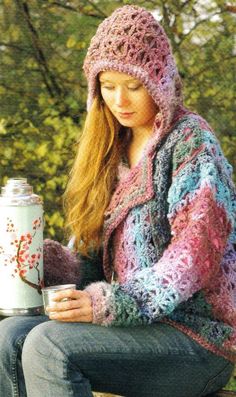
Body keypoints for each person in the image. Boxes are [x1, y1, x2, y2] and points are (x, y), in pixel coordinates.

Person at [0, 5, 235, 397]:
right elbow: (92, 263)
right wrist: (38, 265)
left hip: (197, 340)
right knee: (10, 336)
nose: (119, 100)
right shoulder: (110, 149)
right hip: (133, 329)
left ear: (158, 81)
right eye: (108, 85)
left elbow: (193, 258)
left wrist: (109, 303)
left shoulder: (191, 143)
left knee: (49, 346)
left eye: (134, 85)